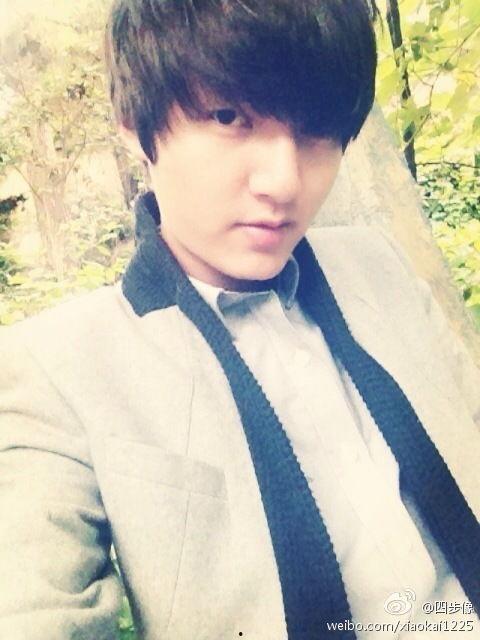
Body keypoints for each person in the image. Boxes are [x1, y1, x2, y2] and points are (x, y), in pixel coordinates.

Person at [0, 0, 479, 638]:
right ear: (134, 125)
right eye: (229, 117)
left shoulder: (378, 266)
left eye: (315, 130)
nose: (283, 182)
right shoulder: (56, 367)